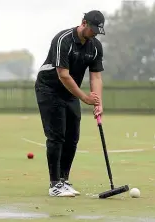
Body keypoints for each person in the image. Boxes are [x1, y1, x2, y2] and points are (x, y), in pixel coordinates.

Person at [34, 10, 106, 197]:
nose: (95, 34)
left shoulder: (95, 46)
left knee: (73, 136)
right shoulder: (63, 40)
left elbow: (96, 76)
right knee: (57, 136)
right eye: (93, 30)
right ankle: (54, 184)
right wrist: (85, 98)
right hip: (49, 88)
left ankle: (64, 180)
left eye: (98, 31)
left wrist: (98, 102)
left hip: (70, 91)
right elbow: (63, 74)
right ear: (83, 23)